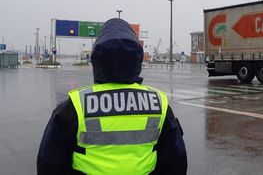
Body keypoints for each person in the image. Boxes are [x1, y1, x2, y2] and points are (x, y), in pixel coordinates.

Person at [37, 18, 187, 175]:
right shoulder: (159, 104)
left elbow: (49, 164)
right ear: (136, 59)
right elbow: (176, 162)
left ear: (97, 60)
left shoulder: (74, 106)